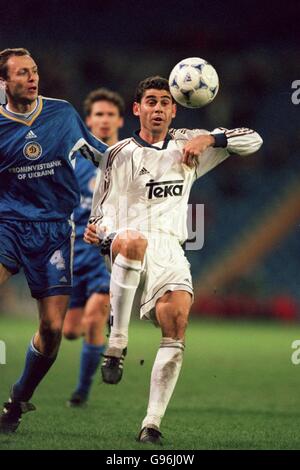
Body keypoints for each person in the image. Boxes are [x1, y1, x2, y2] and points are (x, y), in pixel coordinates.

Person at [84, 76, 263, 444]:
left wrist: (211, 138)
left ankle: (151, 424)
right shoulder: (119, 154)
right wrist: (103, 234)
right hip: (126, 243)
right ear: (137, 109)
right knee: (133, 241)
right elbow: (99, 215)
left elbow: (254, 139)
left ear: (174, 109)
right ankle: (116, 342)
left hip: (170, 248)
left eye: (165, 102)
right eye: (151, 101)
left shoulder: (188, 144)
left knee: (177, 322)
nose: (158, 109)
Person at [0, 48, 107, 433]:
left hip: (54, 231)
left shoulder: (61, 114)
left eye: (34, 71)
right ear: (4, 82)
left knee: (51, 329)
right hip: (7, 225)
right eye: (22, 73)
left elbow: (102, 156)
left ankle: (17, 399)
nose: (32, 78)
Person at [63, 88, 124, 407]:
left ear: (120, 120)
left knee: (91, 321)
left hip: (106, 255)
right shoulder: (75, 159)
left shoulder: (127, 159)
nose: (104, 120)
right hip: (74, 254)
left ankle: (81, 392)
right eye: (98, 114)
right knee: (69, 330)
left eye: (110, 114)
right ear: (88, 120)